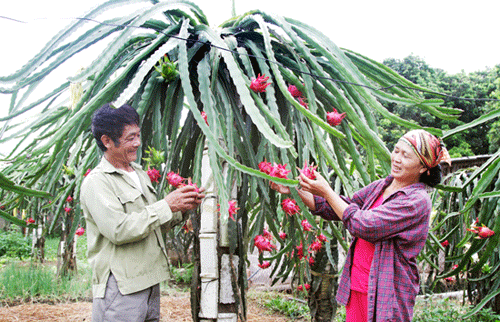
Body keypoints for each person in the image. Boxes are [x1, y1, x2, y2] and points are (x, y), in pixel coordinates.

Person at [271, 129, 450, 322]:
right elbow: (338, 207)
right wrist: (293, 189)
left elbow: (365, 225)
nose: (396, 158)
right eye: (396, 151)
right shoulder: (382, 185)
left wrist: (327, 192)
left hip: (387, 293)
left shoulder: (416, 201)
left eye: (405, 155)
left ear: (423, 167)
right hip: (358, 285)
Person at [81, 103, 205, 322]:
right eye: (130, 138)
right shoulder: (97, 182)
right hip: (120, 287)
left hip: (149, 282)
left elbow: (152, 223)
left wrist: (182, 207)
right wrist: (166, 205)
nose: (137, 143)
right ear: (107, 141)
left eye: (138, 135)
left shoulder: (138, 173)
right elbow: (119, 230)